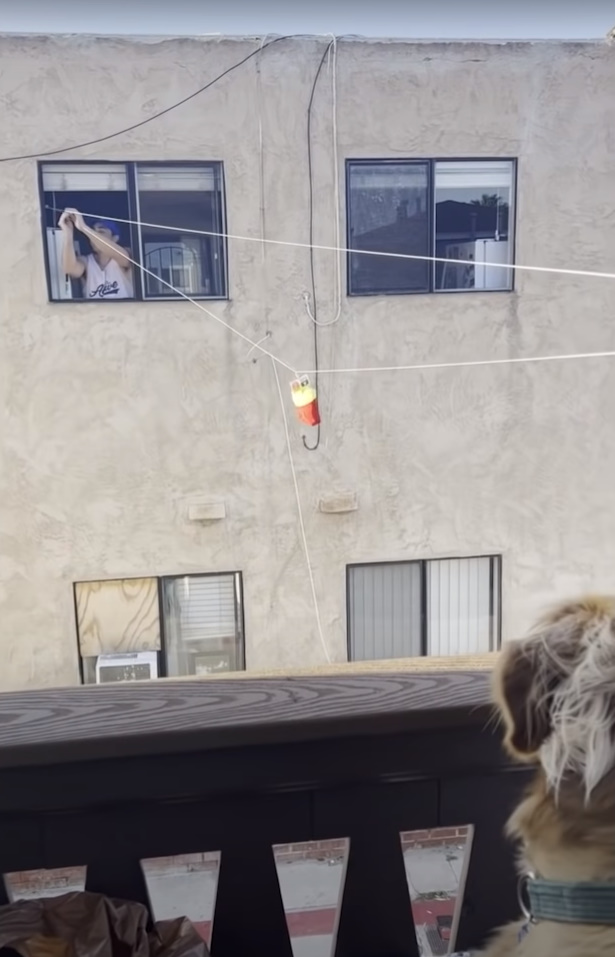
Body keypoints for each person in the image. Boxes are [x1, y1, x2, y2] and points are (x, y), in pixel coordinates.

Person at [59, 208, 134, 300]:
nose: (93, 236)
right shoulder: (87, 261)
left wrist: (84, 228)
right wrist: (68, 233)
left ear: (115, 238)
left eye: (101, 232)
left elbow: (122, 256)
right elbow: (70, 269)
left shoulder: (124, 255)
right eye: (93, 231)